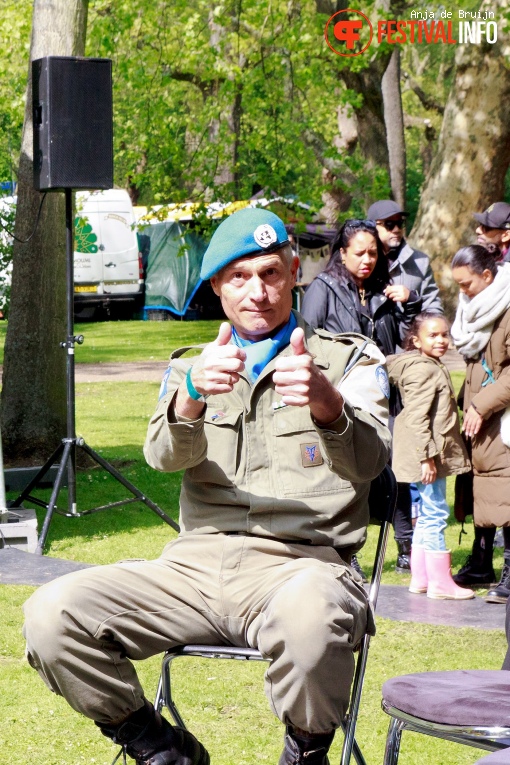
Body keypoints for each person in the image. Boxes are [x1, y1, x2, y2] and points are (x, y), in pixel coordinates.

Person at [22, 208, 391, 765]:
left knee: (312, 615)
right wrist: (191, 395)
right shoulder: (193, 368)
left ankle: (305, 752)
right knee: (53, 614)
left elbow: (370, 462)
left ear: (295, 271)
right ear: (217, 287)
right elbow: (164, 458)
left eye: (270, 273)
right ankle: (160, 747)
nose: (258, 292)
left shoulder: (350, 360)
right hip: (192, 568)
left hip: (304, 565)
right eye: (239, 277)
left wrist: (325, 400)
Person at [301, 219, 420, 576]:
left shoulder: (385, 289)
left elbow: (403, 339)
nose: (367, 260)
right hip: (341, 396)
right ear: (342, 253)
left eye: (373, 252)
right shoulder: (324, 288)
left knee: (392, 468)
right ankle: (345, 548)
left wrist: (408, 304)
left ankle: (405, 547)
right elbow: (306, 338)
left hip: (384, 395)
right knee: (345, 476)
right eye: (360, 253)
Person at [387, 312, 473, 599]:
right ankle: (440, 583)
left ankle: (421, 578)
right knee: (435, 512)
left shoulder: (426, 365)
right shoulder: (423, 370)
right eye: (433, 335)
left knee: (426, 515)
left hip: (427, 452)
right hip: (428, 455)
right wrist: (427, 458)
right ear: (416, 340)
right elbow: (417, 417)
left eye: (444, 334)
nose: (441, 340)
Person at [451, 245, 510, 604]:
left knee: (505, 491)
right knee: (479, 486)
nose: (462, 291)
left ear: (487, 277)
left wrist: (481, 404)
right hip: (479, 413)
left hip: (500, 416)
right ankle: (481, 564)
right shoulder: (476, 310)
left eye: (466, 283)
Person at [366, 200, 442, 313]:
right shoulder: (362, 261)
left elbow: (433, 308)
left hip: (408, 329)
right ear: (373, 226)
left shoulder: (420, 262)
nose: (397, 230)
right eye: (389, 224)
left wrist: (413, 299)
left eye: (400, 224)